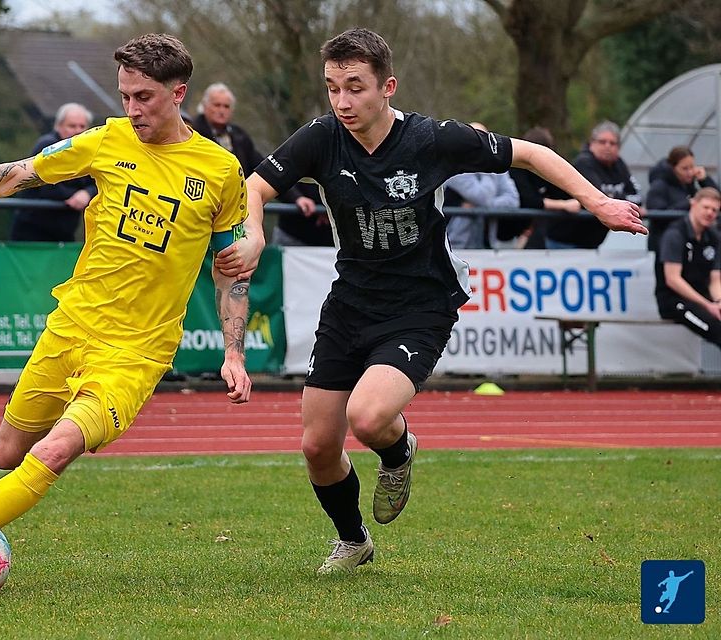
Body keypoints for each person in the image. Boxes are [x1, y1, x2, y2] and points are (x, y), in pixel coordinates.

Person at [215, 28, 645, 574]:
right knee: (318, 447)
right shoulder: (321, 139)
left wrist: (598, 202)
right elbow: (254, 185)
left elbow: (531, 154)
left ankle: (398, 452)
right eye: (332, 88)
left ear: (387, 86)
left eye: (356, 87)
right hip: (350, 303)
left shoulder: (432, 140)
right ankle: (354, 542)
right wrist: (253, 234)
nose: (343, 102)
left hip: (420, 303)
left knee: (368, 419)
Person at [0, 33, 254, 591]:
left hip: (136, 351)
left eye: (143, 97)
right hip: (72, 325)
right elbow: (14, 174)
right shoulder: (107, 141)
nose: (131, 109)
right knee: (7, 453)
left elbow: (231, 265)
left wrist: (233, 352)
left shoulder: (220, 170)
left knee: (55, 449)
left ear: (178, 92)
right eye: (125, 96)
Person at [192, 82, 328, 246]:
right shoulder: (193, 135)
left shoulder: (239, 137)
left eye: (226, 106)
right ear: (205, 106)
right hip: (202, 215)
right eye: (217, 105)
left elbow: (267, 171)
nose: (221, 110)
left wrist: (297, 198)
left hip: (236, 217)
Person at [545, 120, 642, 249]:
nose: (607, 146)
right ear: (592, 143)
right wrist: (619, 197)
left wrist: (614, 196)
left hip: (592, 242)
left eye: (612, 143)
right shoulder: (584, 162)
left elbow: (638, 197)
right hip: (564, 239)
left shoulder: (619, 165)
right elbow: (597, 196)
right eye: (602, 142)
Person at [9, 103, 97, 242]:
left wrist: (87, 193)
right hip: (32, 229)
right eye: (72, 126)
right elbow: (47, 187)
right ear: (59, 126)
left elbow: (98, 182)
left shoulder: (89, 152)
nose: (77, 131)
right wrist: (76, 196)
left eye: (82, 126)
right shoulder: (47, 146)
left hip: (64, 232)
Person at [654, 187, 721, 348]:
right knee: (718, 330)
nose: (710, 213)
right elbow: (672, 279)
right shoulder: (675, 234)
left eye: (714, 210)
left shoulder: (713, 237)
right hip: (674, 300)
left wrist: (718, 302)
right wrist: (708, 305)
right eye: (706, 207)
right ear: (693, 204)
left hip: (704, 298)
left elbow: (715, 279)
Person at [442, 122, 519, 249]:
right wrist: (489, 169)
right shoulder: (454, 168)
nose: (479, 144)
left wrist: (480, 206)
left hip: (489, 245)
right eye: (474, 138)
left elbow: (513, 200)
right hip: (457, 245)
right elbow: (483, 196)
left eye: (483, 138)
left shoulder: (499, 167)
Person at [507, 126, 582, 249]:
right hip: (509, 233)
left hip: (532, 230)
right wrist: (564, 205)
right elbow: (529, 200)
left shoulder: (544, 171)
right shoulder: (516, 168)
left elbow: (559, 191)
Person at [646, 145, 718, 253]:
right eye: (685, 168)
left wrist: (705, 180)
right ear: (673, 168)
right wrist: (688, 204)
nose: (690, 172)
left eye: (692, 167)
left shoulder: (689, 184)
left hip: (689, 245)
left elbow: (716, 201)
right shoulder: (660, 185)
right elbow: (656, 213)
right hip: (664, 246)